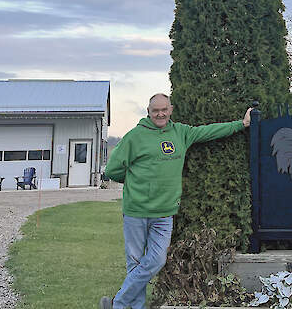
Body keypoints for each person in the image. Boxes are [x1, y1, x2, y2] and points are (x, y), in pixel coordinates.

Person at [100, 93, 253, 309]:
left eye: (164, 109)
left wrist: (242, 124)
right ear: (149, 112)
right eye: (155, 110)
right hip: (136, 211)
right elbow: (113, 169)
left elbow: (208, 131)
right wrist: (136, 181)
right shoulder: (135, 136)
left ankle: (118, 303)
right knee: (134, 264)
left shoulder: (181, 132)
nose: (160, 114)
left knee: (156, 260)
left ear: (171, 110)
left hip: (164, 214)